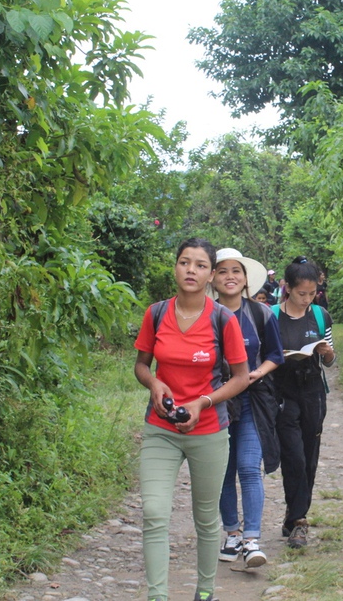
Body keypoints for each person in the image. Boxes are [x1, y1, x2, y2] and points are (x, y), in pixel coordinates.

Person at [133, 238, 251, 601]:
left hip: (209, 431)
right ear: (175, 267)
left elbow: (241, 377)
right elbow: (140, 365)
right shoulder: (156, 313)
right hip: (161, 429)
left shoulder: (223, 319)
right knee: (154, 511)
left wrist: (203, 402)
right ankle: (157, 596)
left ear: (211, 275)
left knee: (205, 517)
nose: (191, 270)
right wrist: (154, 382)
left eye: (200, 265)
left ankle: (204, 592)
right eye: (185, 263)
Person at [207, 248, 285, 569]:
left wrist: (256, 373)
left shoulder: (260, 314)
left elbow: (275, 354)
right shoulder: (205, 314)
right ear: (213, 277)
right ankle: (232, 533)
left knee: (249, 466)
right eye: (222, 271)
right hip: (219, 402)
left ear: (245, 278)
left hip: (253, 398)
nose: (230, 277)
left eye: (235, 271)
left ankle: (252, 538)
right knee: (224, 471)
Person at [272, 256, 337, 549]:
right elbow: (264, 354)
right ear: (288, 289)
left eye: (312, 294)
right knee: (293, 456)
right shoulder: (272, 315)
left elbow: (331, 360)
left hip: (313, 392)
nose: (306, 299)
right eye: (301, 294)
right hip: (282, 392)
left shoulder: (320, 315)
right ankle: (298, 520)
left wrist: (325, 353)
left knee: (309, 455)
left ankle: (295, 515)